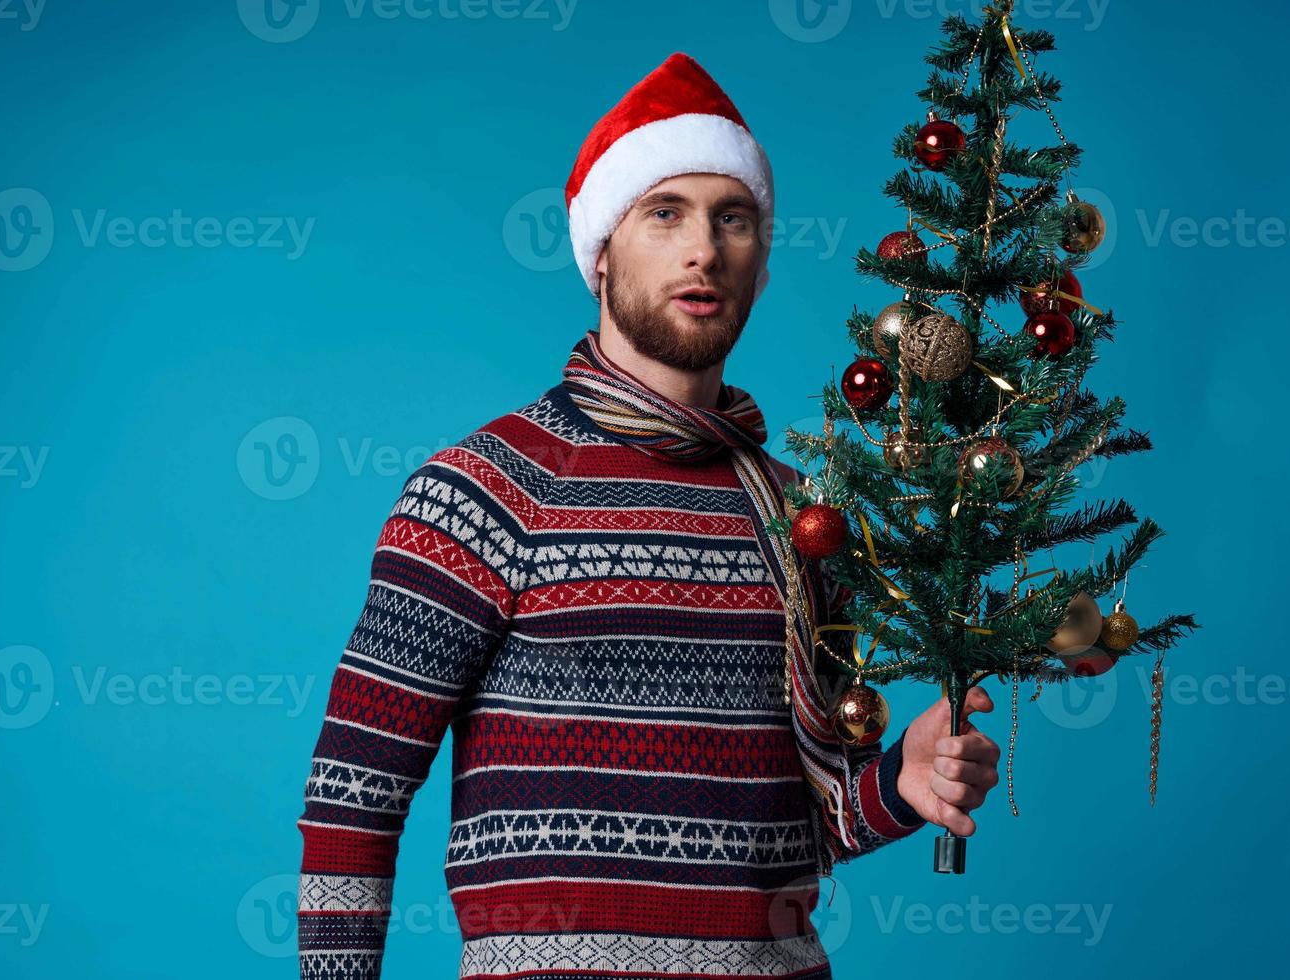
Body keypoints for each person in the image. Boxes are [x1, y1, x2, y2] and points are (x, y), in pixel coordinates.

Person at [296, 51, 1000, 980]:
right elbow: (355, 791)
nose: (702, 247)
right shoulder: (487, 489)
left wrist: (901, 784)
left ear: (759, 260)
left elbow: (808, 823)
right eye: (664, 213)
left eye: (732, 218)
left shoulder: (802, 518)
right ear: (602, 251)